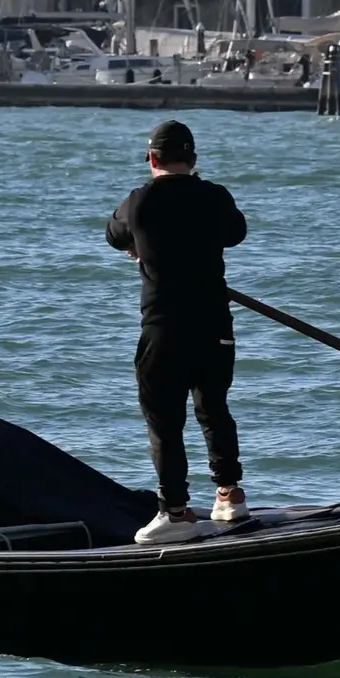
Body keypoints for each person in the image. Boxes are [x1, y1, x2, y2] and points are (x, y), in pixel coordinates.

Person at [105, 117, 247, 534]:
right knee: (214, 408)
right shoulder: (216, 197)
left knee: (164, 419)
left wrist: (140, 244)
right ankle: (230, 495)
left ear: (152, 158)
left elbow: (113, 234)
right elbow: (236, 233)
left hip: (164, 327)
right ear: (193, 159)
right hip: (214, 324)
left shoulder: (139, 202)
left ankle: (176, 511)